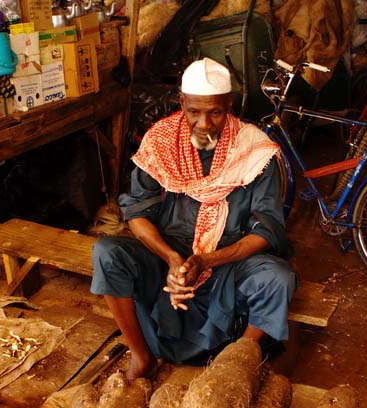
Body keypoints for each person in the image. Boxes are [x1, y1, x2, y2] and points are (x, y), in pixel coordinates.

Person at [91, 58, 297, 380]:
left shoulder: (255, 150)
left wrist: (207, 260)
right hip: (167, 256)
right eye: (194, 112)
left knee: (277, 278)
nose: (204, 124)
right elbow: (137, 212)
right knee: (107, 253)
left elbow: (267, 230)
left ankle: (234, 367)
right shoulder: (161, 142)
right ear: (182, 103)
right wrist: (172, 258)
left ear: (228, 104)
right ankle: (141, 356)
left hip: (229, 261)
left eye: (215, 112)